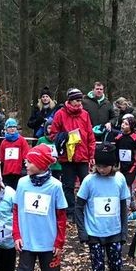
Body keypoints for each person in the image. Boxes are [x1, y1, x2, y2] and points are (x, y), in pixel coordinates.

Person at [10, 144, 68, 271]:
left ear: (41, 164)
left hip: (49, 244)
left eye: (30, 161)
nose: (26, 164)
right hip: (27, 243)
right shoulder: (22, 183)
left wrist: (59, 242)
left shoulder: (55, 186)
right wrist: (17, 235)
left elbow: (61, 216)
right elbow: (16, 210)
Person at [75, 143, 132, 271]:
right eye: (98, 166)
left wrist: (124, 231)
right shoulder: (89, 181)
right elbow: (78, 206)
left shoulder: (120, 180)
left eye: (105, 166)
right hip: (95, 233)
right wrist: (83, 232)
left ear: (113, 165)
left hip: (114, 232)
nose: (101, 169)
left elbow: (123, 207)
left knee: (116, 267)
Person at [49, 87, 94, 217]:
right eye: (76, 100)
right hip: (67, 157)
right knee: (68, 185)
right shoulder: (60, 114)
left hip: (83, 156)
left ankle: (85, 209)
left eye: (80, 100)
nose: (79, 103)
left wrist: (91, 155)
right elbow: (53, 134)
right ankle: (70, 211)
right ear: (70, 100)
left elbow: (90, 136)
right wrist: (65, 136)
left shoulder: (85, 114)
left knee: (85, 184)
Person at [111, 114, 136, 189]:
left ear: (131, 126)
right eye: (122, 123)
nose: (123, 125)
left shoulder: (135, 138)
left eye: (126, 124)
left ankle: (129, 195)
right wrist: (115, 164)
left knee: (128, 184)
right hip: (121, 166)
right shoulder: (118, 138)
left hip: (132, 166)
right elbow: (116, 153)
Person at [0, 119, 26, 190]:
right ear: (6, 129)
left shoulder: (22, 140)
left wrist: (24, 169)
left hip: (18, 172)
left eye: (14, 127)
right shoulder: (4, 142)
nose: (12, 129)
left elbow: (26, 155)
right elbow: (1, 159)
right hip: (7, 172)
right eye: (10, 127)